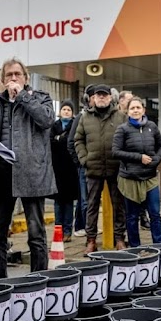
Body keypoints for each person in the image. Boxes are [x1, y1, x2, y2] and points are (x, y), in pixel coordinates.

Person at [0, 57, 55, 279]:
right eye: (9, 75)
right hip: (2, 174)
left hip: (31, 174)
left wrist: (22, 96)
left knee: (36, 233)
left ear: (25, 77)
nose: (13, 78)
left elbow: (46, 120)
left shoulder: (41, 98)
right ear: (2, 79)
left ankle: (38, 281)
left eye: (17, 74)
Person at [75, 84, 128, 251]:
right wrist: (85, 159)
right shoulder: (85, 117)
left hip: (115, 168)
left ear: (110, 97)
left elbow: (128, 139)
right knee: (91, 206)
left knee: (118, 205)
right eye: (99, 95)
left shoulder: (120, 116)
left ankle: (119, 238)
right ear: (94, 98)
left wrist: (123, 159)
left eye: (105, 95)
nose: (102, 98)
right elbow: (78, 140)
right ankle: (91, 241)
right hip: (93, 168)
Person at [113, 96, 161, 247]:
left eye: (138, 107)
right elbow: (116, 151)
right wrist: (139, 157)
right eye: (132, 108)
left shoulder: (152, 127)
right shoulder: (122, 129)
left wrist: (156, 160)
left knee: (155, 214)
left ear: (143, 110)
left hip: (150, 178)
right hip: (130, 178)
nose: (135, 110)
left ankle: (159, 245)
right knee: (132, 216)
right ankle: (135, 247)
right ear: (127, 112)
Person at [51, 100, 80, 243]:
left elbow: (72, 142)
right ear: (60, 111)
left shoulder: (75, 125)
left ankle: (68, 231)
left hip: (71, 169)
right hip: (57, 169)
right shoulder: (54, 126)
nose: (66, 112)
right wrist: (58, 140)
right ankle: (58, 230)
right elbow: (50, 142)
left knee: (68, 202)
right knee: (58, 202)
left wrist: (59, 140)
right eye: (64, 109)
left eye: (69, 109)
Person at [67, 86, 93, 238]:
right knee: (85, 200)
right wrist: (80, 161)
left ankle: (86, 226)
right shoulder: (80, 117)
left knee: (91, 200)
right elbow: (71, 142)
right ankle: (85, 228)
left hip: (97, 166)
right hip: (84, 166)